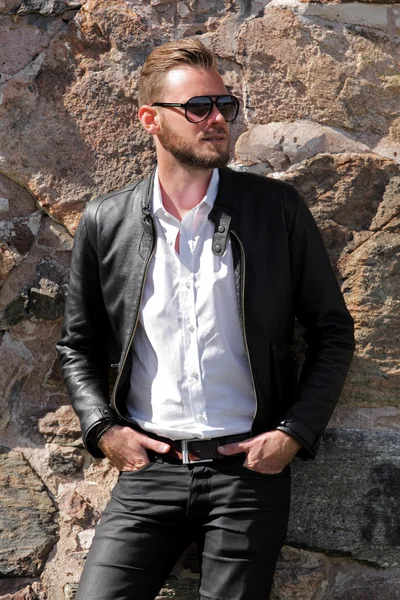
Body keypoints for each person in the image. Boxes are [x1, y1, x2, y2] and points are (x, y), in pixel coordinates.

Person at [57, 37, 355, 600]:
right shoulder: (106, 220)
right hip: (149, 471)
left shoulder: (275, 210)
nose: (217, 119)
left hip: (248, 470)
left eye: (225, 105)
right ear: (151, 119)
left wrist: (294, 433)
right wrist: (103, 430)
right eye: (198, 108)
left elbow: (332, 331)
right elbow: (78, 344)